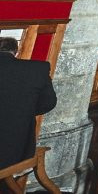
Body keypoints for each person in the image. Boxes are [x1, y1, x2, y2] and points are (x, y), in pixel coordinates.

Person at [0, 37, 57, 171]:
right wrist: (23, 111)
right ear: (16, 52)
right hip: (16, 150)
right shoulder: (37, 69)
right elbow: (49, 103)